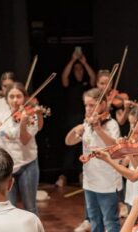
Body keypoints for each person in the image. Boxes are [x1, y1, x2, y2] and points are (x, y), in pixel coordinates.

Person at [65, 88, 122, 232]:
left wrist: (98, 128)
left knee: (110, 221)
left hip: (107, 181)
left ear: (103, 104)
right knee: (95, 219)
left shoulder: (111, 124)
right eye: (86, 105)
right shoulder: (86, 123)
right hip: (90, 181)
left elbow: (114, 146)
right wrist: (77, 130)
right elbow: (69, 142)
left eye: (92, 105)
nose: (89, 109)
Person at [0, 82, 44, 214]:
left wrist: (23, 123)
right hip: (6, 168)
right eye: (11, 97)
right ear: (6, 99)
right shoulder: (0, 116)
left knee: (30, 207)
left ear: (25, 98)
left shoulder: (31, 116)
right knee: (8, 208)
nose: (15, 100)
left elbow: (24, 140)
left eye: (19, 96)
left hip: (27, 164)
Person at [57, 49, 97, 188]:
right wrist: (73, 60)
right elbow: (64, 77)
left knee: (84, 147)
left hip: (85, 119)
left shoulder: (87, 84)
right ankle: (64, 175)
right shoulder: (70, 83)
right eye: (76, 69)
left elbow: (94, 78)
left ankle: (82, 174)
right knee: (69, 148)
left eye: (80, 69)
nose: (78, 71)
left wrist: (84, 63)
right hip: (70, 119)